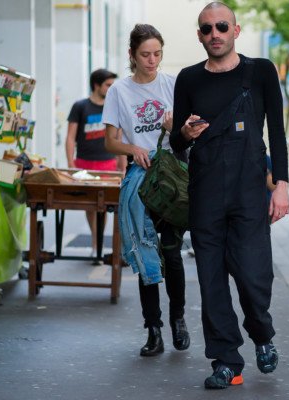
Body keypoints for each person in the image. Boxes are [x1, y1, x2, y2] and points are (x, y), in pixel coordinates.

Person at [170, 2, 289, 389]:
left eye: (222, 26)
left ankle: (263, 334)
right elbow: (176, 143)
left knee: (254, 276)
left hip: (249, 190)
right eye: (206, 29)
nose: (214, 34)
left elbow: (278, 134)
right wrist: (184, 135)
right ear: (199, 35)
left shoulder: (261, 72)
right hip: (204, 192)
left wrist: (283, 186)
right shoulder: (188, 79)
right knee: (211, 281)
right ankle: (226, 360)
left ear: (235, 31)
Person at [102, 24, 189, 357]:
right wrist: (131, 149)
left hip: (172, 179)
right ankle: (154, 330)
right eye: (145, 54)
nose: (152, 61)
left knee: (171, 252)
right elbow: (110, 140)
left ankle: (178, 319)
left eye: (157, 54)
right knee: (144, 252)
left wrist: (176, 128)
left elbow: (189, 132)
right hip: (140, 181)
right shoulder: (119, 91)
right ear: (131, 55)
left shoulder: (172, 84)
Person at [66, 68, 126, 254]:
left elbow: (120, 138)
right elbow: (70, 137)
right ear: (96, 85)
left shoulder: (114, 107)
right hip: (84, 164)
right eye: (108, 85)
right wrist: (71, 164)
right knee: (90, 206)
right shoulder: (80, 106)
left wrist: (122, 165)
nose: (111, 88)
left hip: (108, 165)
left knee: (103, 207)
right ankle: (95, 243)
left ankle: (97, 242)